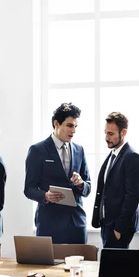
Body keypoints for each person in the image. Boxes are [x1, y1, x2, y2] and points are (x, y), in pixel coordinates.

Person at [24, 103, 91, 244]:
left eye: (75, 126)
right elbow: (29, 189)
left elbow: (88, 187)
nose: (73, 131)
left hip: (77, 224)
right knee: (48, 266)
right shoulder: (37, 150)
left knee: (79, 266)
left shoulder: (79, 150)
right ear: (56, 123)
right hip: (50, 224)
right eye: (69, 125)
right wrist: (46, 196)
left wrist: (81, 184)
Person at [92, 112, 139, 249]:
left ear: (124, 132)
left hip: (119, 227)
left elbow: (132, 197)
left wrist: (119, 228)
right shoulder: (113, 154)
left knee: (115, 268)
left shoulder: (132, 157)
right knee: (110, 267)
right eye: (105, 133)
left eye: (111, 134)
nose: (106, 138)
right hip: (107, 224)